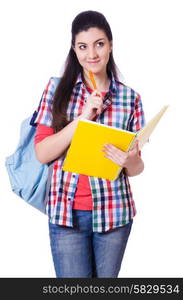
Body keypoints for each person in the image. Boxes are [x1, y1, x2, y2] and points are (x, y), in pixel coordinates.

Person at [34, 10, 145, 278]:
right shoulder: (57, 89)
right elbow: (42, 153)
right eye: (83, 46)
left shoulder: (129, 98)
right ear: (74, 49)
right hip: (66, 215)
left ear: (110, 45)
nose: (92, 54)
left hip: (115, 214)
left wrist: (129, 161)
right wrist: (82, 119)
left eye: (99, 44)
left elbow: (137, 167)